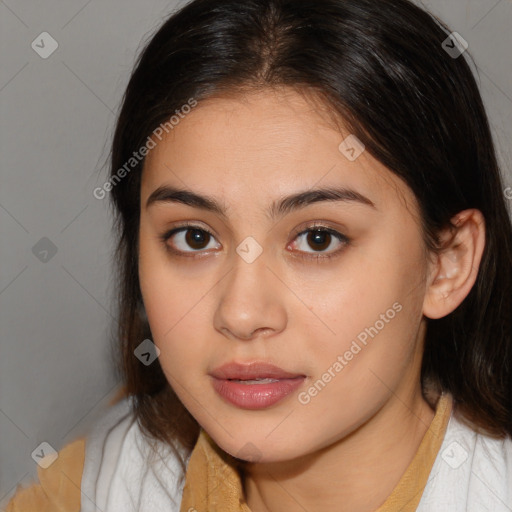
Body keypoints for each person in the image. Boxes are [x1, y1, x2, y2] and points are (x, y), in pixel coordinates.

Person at [6, 0, 512, 510]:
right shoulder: (90, 490)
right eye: (194, 237)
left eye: (318, 238)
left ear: (447, 262)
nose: (242, 314)